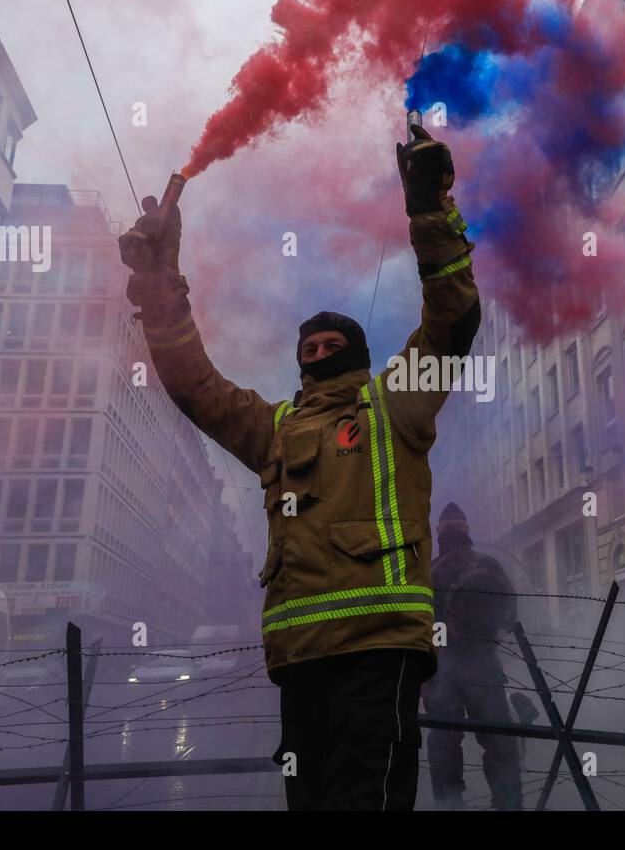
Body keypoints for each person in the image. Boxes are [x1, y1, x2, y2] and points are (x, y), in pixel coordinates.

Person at [117, 125, 480, 810]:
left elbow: (451, 323)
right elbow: (195, 386)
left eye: (329, 343)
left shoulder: (394, 405)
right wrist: (159, 284)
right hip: (301, 660)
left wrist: (431, 212)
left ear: (357, 355)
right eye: (306, 345)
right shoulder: (276, 429)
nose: (314, 351)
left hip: (379, 652)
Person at [423, 502, 522, 810]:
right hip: (476, 667)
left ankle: (450, 806)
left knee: (445, 744)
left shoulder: (428, 572)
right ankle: (508, 805)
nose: (451, 529)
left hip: (445, 670)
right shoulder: (489, 565)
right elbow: (510, 615)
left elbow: (418, 623)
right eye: (451, 524)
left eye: (452, 525)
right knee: (497, 741)